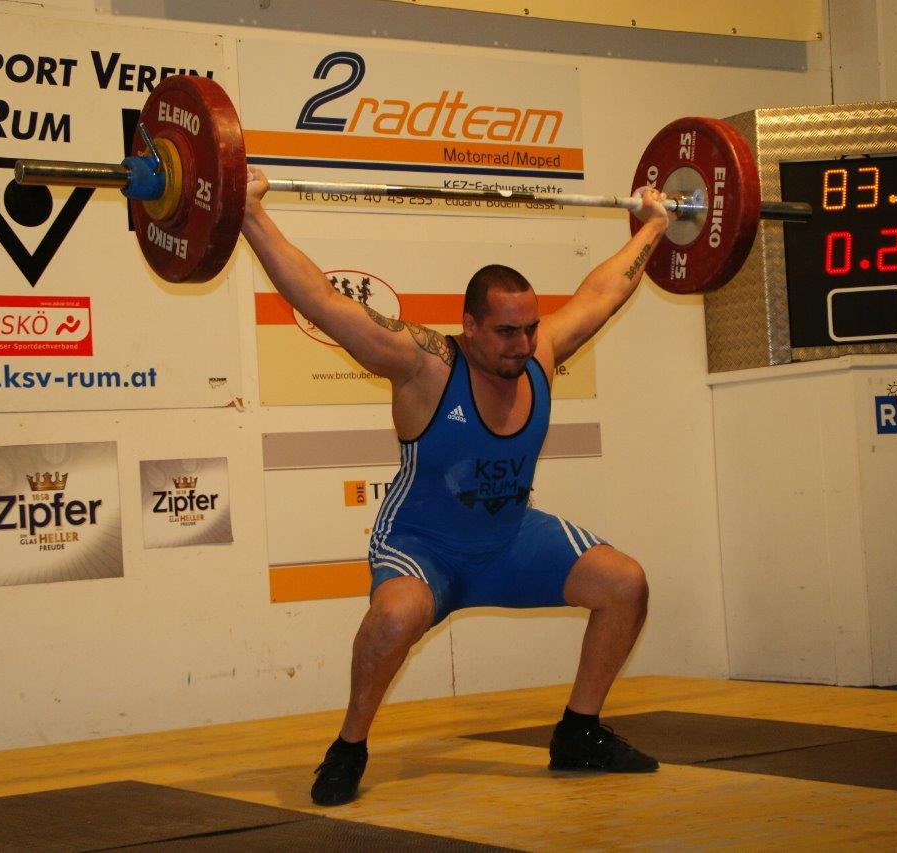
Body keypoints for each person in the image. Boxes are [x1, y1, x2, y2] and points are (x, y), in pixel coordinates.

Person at [241, 167, 673, 806]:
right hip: (424, 546)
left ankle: (579, 733)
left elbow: (602, 292)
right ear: (469, 326)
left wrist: (656, 224)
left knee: (625, 584)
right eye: (506, 332)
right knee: (394, 618)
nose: (522, 345)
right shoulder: (423, 366)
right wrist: (249, 214)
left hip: (508, 540)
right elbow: (324, 303)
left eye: (529, 328)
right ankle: (349, 747)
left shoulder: (540, 355)